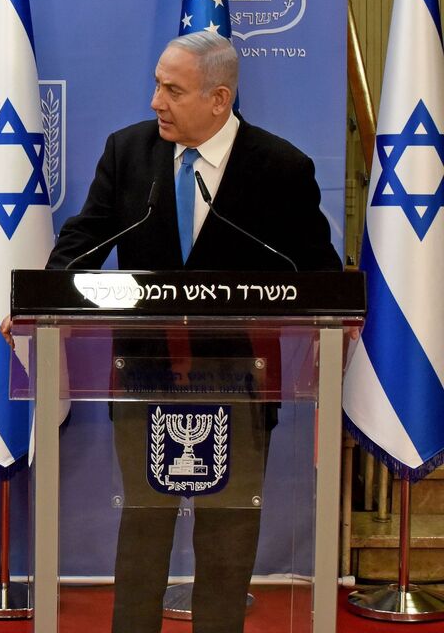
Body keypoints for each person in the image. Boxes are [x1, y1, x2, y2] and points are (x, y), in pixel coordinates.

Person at [43, 31, 340, 633]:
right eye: (156, 84)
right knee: (145, 521)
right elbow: (84, 239)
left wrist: (337, 317)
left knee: (228, 526)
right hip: (142, 374)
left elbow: (318, 274)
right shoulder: (127, 152)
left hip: (241, 380)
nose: (155, 101)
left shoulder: (281, 166)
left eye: (172, 90)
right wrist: (43, 303)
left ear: (219, 99)